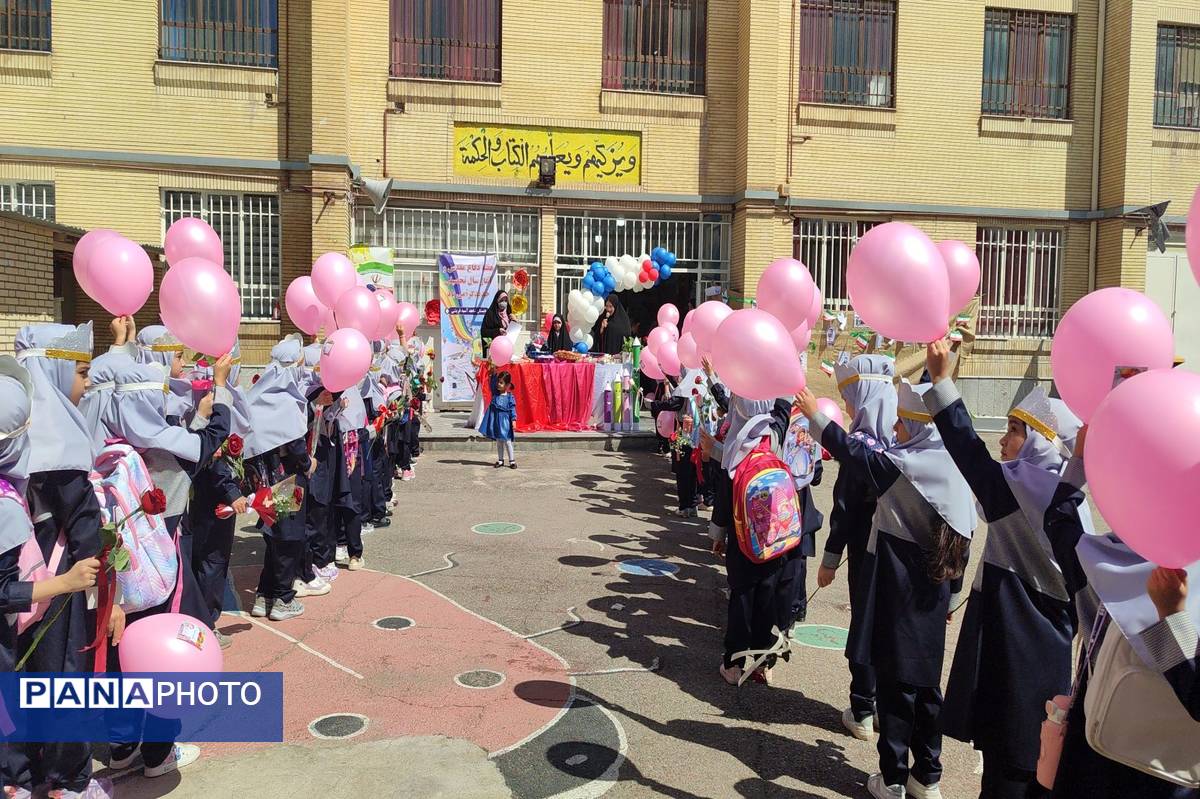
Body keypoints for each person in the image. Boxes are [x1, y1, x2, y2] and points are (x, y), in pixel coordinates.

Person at [922, 339, 1082, 799]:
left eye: (1015, 429)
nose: (1003, 439)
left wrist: (940, 379)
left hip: (1020, 654)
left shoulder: (1026, 493)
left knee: (1011, 769)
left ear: (1043, 442)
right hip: (1043, 652)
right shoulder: (1068, 500)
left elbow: (968, 451)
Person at [801, 381, 976, 799]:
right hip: (933, 598)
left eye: (902, 422)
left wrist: (814, 414)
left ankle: (894, 778)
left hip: (898, 590)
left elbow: (852, 452)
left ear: (919, 427)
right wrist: (952, 597)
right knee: (927, 684)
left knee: (897, 687)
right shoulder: (954, 470)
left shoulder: (904, 469)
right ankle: (928, 775)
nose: (894, 429)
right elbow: (964, 545)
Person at [1034, 429, 1199, 799]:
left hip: (1155, 773)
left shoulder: (1118, 565)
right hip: (1098, 754)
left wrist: (1171, 617)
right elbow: (1060, 526)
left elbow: (1059, 521)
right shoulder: (1112, 559)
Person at [99, 353, 234, 778]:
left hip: (112, 579)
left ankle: (121, 747)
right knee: (161, 660)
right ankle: (158, 754)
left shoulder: (103, 447)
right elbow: (212, 439)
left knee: (122, 660)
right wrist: (221, 386)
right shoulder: (162, 452)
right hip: (158, 571)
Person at [11, 322, 123, 799]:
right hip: (59, 584)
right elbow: (84, 535)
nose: (88, 383)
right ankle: (68, 781)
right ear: (55, 371)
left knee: (17, 673)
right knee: (61, 677)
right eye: (80, 371)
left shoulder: (18, 432)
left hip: (14, 585)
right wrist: (108, 598)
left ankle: (17, 777)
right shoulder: (61, 443)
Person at [819, 355, 898, 742]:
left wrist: (829, 560)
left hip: (864, 552)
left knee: (864, 624)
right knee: (888, 623)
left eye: (850, 398)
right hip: (897, 552)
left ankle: (863, 707)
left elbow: (845, 508)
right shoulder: (904, 441)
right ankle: (884, 705)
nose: (848, 406)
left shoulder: (859, 447)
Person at [707, 392, 809, 686]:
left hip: (743, 542)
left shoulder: (736, 448)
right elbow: (782, 412)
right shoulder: (777, 440)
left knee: (742, 597)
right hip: (777, 542)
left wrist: (718, 534)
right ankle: (765, 663)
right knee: (769, 598)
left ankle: (734, 663)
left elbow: (725, 502)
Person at [245, 335, 318, 621]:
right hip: (287, 482)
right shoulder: (287, 401)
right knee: (288, 539)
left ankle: (264, 595)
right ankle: (283, 598)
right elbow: (296, 447)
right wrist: (308, 463)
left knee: (273, 537)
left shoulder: (260, 397)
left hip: (264, 481)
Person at [480, 369, 517, 469]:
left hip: (505, 423)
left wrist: (513, 420)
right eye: (498, 382)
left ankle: (512, 461)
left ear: (507, 385)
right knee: (499, 441)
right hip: (496, 422)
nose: (498, 384)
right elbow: (492, 384)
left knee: (507, 441)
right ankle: (500, 460)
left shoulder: (510, 397)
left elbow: (512, 409)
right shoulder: (495, 394)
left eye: (501, 382)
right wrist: (493, 373)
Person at [479, 290, 510, 359]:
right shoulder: (490, 313)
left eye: (506, 300)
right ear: (497, 301)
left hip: (506, 349)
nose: (504, 303)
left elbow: (513, 331)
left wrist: (515, 320)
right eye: (501, 300)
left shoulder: (509, 313)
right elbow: (484, 332)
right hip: (492, 350)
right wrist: (498, 331)